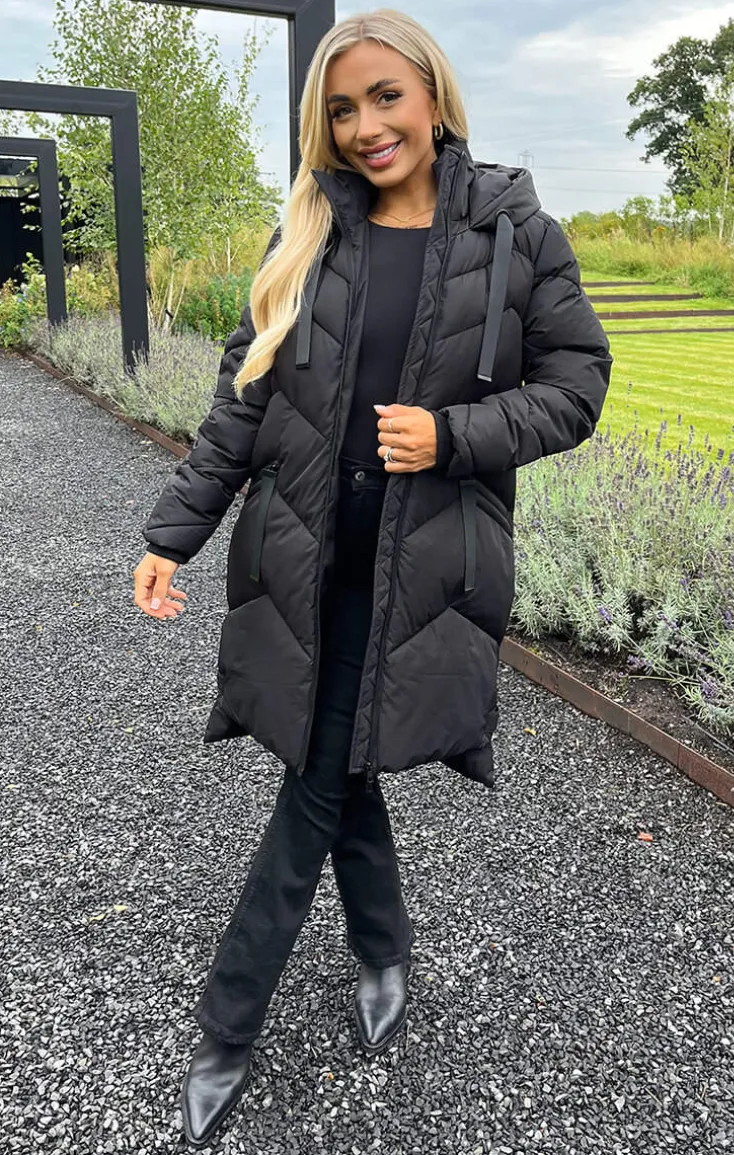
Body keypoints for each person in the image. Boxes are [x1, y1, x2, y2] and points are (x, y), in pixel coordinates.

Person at [133, 7, 612, 1147]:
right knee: (335, 766)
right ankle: (385, 950)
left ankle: (227, 1028)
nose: (364, 126)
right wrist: (172, 534)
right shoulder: (308, 233)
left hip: (421, 571)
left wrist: (451, 436)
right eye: (342, 109)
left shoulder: (515, 232)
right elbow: (240, 406)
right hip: (302, 561)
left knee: (310, 785)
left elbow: (578, 387)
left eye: (385, 97)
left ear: (433, 97)